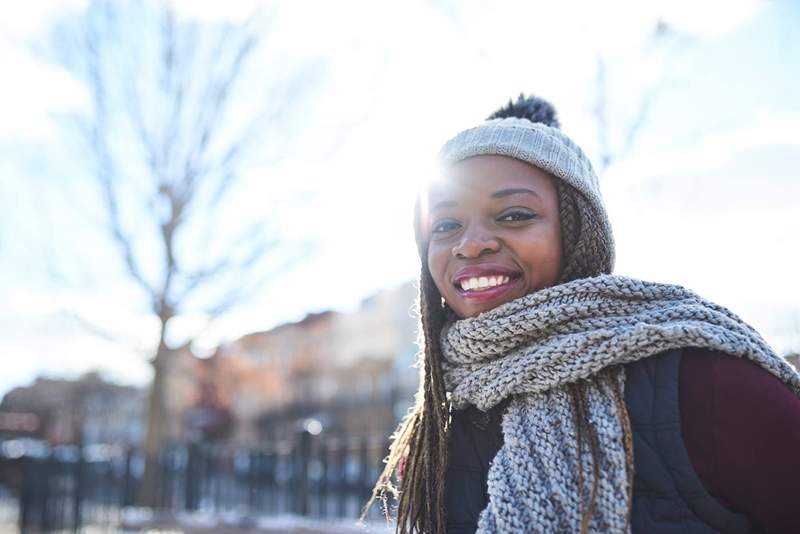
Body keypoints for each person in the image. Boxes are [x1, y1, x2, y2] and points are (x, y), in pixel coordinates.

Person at [366, 95, 800, 533]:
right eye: (445, 225)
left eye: (515, 214)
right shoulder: (438, 425)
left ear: (577, 232)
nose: (471, 243)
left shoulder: (700, 377)